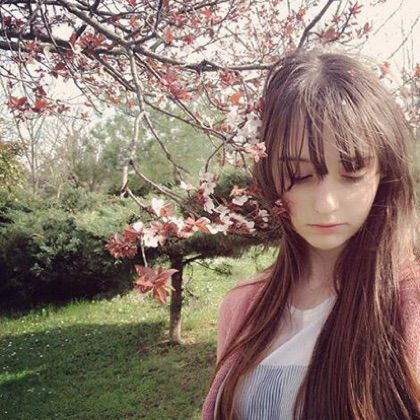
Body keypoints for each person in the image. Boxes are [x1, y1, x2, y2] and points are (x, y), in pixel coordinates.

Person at [201, 49, 420, 420]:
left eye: (352, 172)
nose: (325, 204)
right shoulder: (242, 305)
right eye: (299, 176)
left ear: (383, 173)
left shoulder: (410, 305)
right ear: (270, 175)